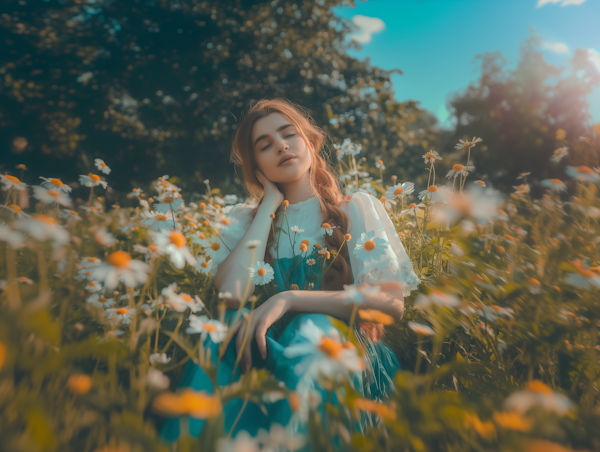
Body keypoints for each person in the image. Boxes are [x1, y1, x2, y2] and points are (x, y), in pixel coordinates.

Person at [159, 98, 421, 445]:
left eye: (288, 134)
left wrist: (290, 299)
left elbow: (390, 303)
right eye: (264, 146)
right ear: (257, 167)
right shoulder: (245, 221)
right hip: (262, 348)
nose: (281, 146)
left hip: (337, 348)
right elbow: (231, 294)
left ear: (310, 142)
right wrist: (268, 203)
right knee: (220, 332)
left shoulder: (353, 209)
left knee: (311, 328)